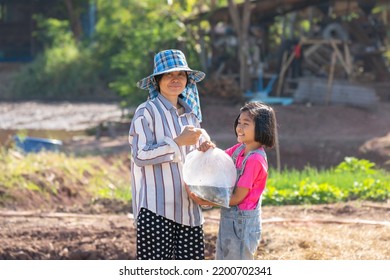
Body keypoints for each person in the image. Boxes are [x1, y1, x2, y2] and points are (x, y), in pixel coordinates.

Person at [129, 49, 208, 260]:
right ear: (157, 81)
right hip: (156, 210)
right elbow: (140, 155)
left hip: (190, 211)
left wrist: (206, 149)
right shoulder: (146, 111)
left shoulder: (192, 116)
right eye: (168, 75)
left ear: (187, 80)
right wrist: (176, 143)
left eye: (180, 74)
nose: (175, 79)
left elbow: (198, 161)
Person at [187, 101, 277, 260]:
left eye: (246, 124)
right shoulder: (239, 149)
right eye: (239, 123)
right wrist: (208, 148)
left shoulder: (255, 159)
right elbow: (218, 159)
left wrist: (205, 201)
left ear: (262, 128)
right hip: (229, 218)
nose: (239, 128)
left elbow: (236, 198)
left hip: (243, 224)